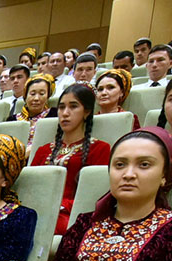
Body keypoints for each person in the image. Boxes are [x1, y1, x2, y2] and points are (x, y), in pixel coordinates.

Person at [50, 127, 172, 261]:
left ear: (164, 175)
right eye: (120, 164)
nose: (128, 174)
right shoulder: (85, 223)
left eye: (144, 164)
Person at [31, 84, 112, 234]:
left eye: (73, 107)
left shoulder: (100, 148)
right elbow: (31, 187)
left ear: (86, 112)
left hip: (73, 215)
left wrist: (61, 206)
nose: (65, 113)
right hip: (38, 210)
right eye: (61, 107)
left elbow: (95, 195)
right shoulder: (43, 150)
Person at [18, 74, 58, 146]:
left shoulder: (55, 114)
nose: (36, 98)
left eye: (42, 94)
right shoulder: (12, 119)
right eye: (32, 94)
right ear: (25, 96)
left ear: (48, 97)